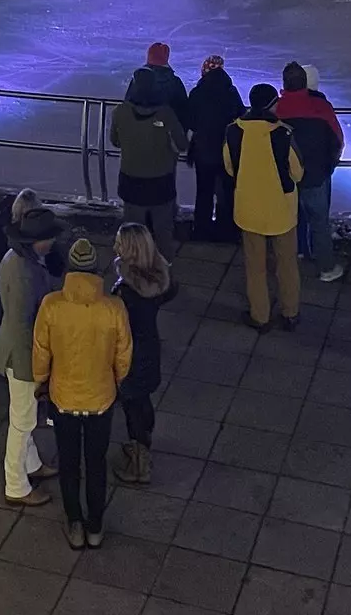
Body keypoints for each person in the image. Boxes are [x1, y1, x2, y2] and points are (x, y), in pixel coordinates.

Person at [32, 237, 132, 550]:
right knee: (96, 463)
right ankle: (96, 527)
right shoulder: (113, 308)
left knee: (70, 463)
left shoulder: (52, 305)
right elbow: (124, 353)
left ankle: (74, 522)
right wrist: (115, 380)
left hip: (63, 399)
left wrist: (41, 383)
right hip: (101, 399)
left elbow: (41, 351)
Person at [0, 204, 62, 507]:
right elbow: (24, 326)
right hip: (22, 357)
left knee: (25, 417)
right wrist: (34, 368)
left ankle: (32, 465)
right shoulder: (25, 271)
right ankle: (16, 485)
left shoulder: (17, 259)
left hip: (13, 350)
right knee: (21, 422)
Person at [224, 83, 303, 330]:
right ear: (270, 105)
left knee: (255, 267)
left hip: (248, 209)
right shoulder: (284, 134)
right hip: (281, 210)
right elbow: (298, 172)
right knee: (287, 264)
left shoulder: (233, 131)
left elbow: (229, 167)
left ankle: (260, 315)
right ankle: (290, 312)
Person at [111, 222, 176, 487]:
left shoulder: (126, 291)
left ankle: (139, 465)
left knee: (132, 407)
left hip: (130, 355)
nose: (115, 247)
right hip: (150, 349)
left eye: (119, 243)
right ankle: (143, 444)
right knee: (144, 401)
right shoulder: (159, 280)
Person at [113, 42, 189, 257]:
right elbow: (182, 139)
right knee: (164, 230)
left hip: (131, 180)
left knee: (133, 230)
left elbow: (115, 140)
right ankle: (163, 270)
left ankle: (132, 265)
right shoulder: (168, 104)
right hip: (160, 178)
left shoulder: (121, 111)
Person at [275, 62, 345, 282]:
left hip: (284, 178)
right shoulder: (321, 108)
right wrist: (329, 167)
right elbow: (337, 141)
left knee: (287, 221)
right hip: (316, 176)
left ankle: (290, 262)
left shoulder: (276, 110)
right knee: (319, 222)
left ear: (284, 83)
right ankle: (326, 268)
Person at [184, 55, 241, 242]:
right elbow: (240, 117)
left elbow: (190, 121)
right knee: (226, 191)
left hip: (204, 150)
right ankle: (227, 231)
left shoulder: (197, 92)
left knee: (204, 191)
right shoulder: (231, 92)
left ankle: (201, 230)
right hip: (227, 151)